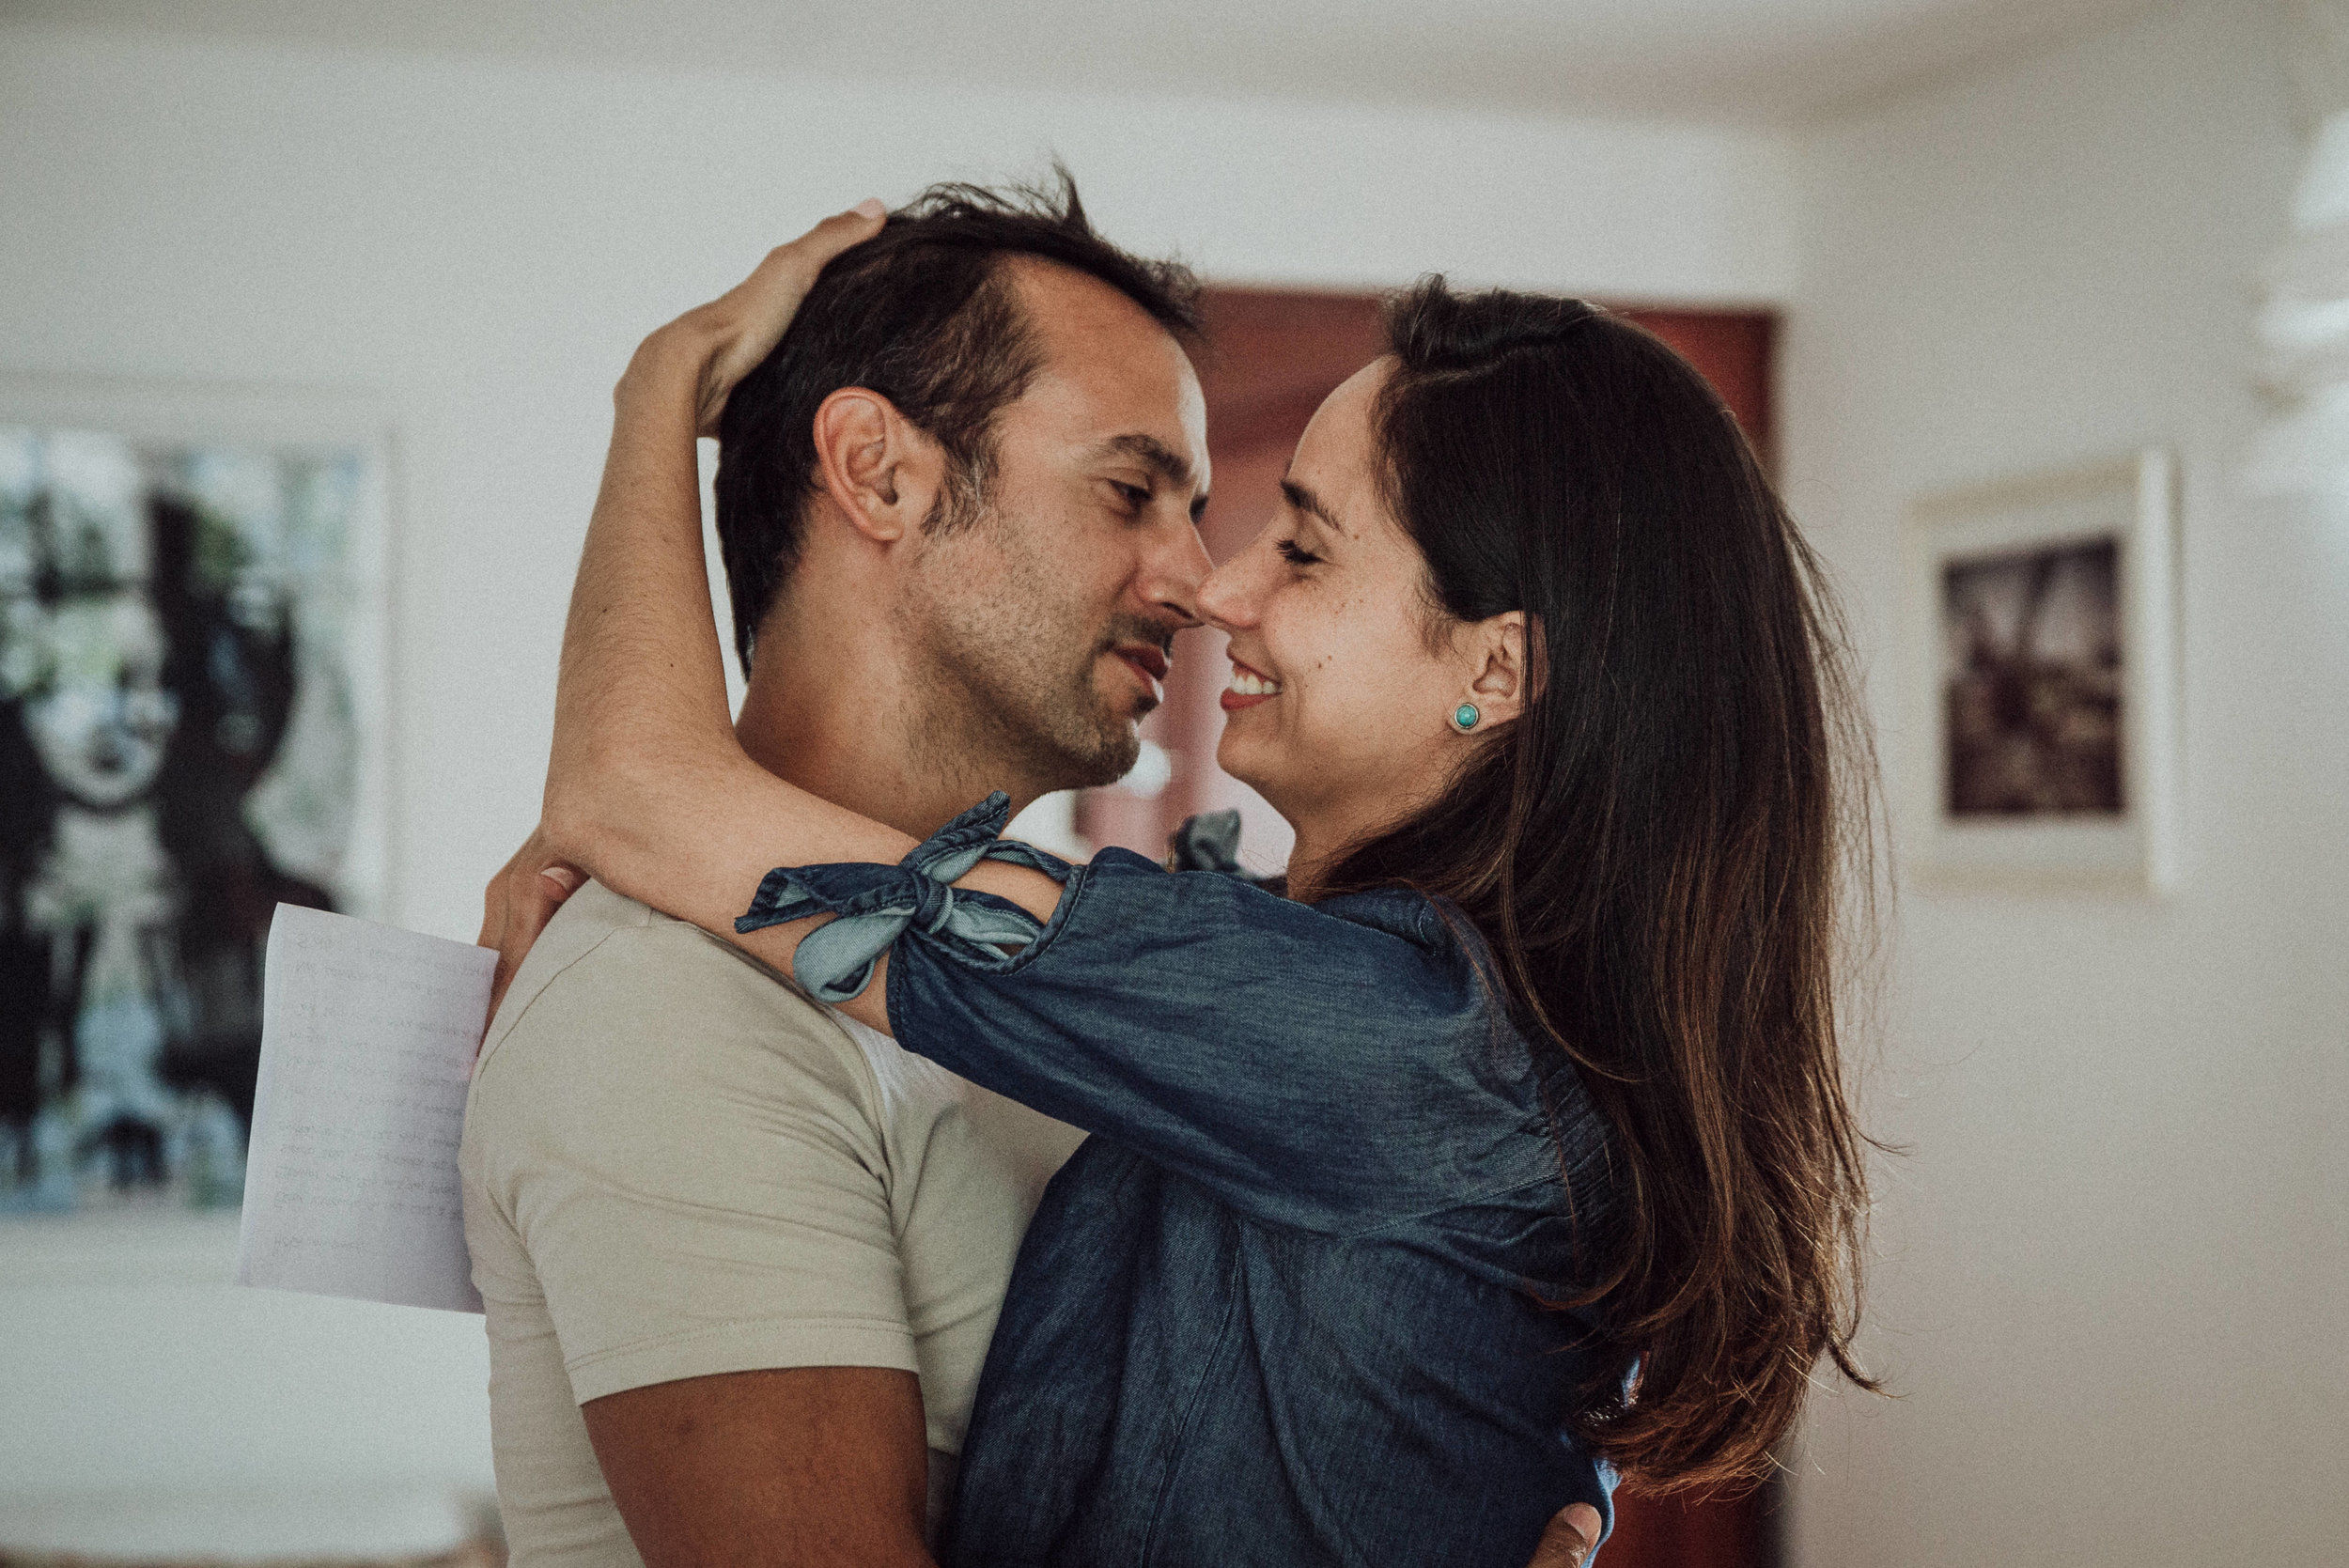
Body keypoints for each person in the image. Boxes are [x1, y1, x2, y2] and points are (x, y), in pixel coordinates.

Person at [484, 201, 1876, 1566]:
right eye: (1129, 491)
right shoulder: (1340, 997)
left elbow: (632, 791)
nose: (1214, 588)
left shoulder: (1381, 1029)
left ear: (1494, 670)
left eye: (1303, 546)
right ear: (880, 476)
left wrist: (660, 391)